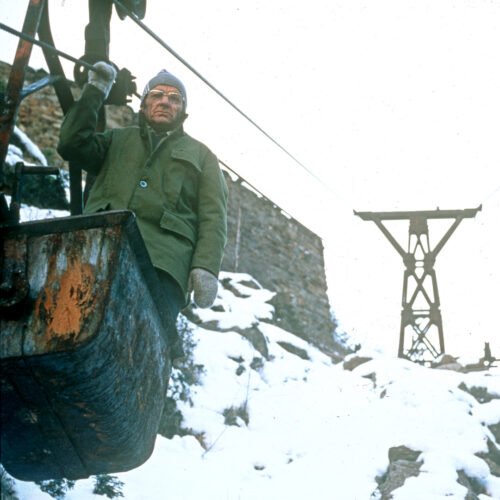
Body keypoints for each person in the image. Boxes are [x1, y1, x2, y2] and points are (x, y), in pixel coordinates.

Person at [58, 62, 228, 360]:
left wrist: (205, 267)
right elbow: (72, 144)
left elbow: (214, 217)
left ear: (183, 110)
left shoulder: (203, 157)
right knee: (70, 326)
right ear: (144, 103)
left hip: (163, 264)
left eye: (174, 98)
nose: (165, 101)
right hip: (98, 248)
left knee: (139, 348)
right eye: (158, 95)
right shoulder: (116, 139)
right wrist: (96, 88)